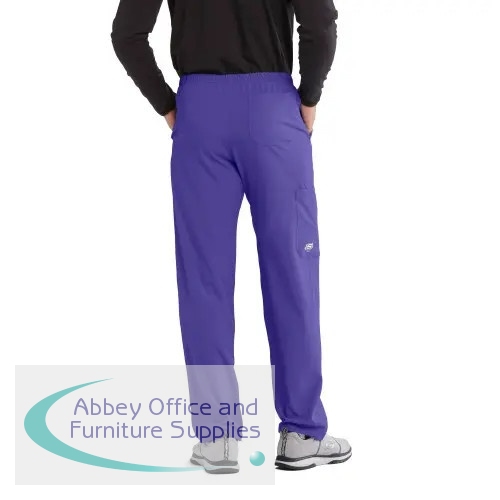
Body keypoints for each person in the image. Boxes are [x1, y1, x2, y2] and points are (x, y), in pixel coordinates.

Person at [111, 0, 351, 472]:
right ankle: (302, 432)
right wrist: (309, 96)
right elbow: (320, 21)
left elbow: (127, 34)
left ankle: (217, 439)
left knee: (204, 281)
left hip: (199, 114)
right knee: (292, 271)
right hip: (273, 111)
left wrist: (168, 104)